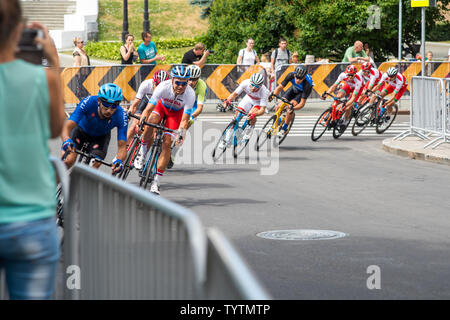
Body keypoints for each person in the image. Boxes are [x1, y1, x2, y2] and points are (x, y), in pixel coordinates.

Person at [0, 0, 65, 300]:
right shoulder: (44, 79)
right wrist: (53, 62)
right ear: (17, 30)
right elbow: (54, 129)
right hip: (32, 221)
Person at [134, 65, 196, 195]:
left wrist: (180, 133)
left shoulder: (190, 94)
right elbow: (148, 108)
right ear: (172, 80)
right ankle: (143, 151)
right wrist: (142, 121)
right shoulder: (163, 86)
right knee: (151, 120)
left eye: (184, 84)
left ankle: (156, 181)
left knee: (167, 144)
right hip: (161, 107)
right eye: (177, 82)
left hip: (176, 114)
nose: (180, 86)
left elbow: (185, 119)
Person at [61, 83, 128, 175]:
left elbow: (122, 146)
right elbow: (67, 127)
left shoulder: (121, 115)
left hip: (100, 138)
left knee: (93, 168)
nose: (109, 110)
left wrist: (119, 160)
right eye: (106, 104)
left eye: (114, 106)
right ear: (99, 101)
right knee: (68, 161)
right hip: (80, 131)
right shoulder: (88, 102)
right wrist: (66, 140)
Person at [168, 65, 207, 169]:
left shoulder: (202, 86)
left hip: (193, 106)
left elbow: (199, 108)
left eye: (194, 80)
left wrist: (191, 117)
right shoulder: (182, 82)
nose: (191, 82)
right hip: (182, 102)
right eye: (190, 79)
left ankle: (173, 154)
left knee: (184, 128)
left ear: (198, 78)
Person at [220, 73, 269, 145]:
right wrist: (228, 100)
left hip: (258, 102)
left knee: (252, 114)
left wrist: (254, 114)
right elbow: (234, 94)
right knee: (236, 117)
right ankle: (226, 139)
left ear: (260, 86)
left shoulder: (264, 91)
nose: (253, 88)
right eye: (252, 85)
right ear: (250, 82)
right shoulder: (245, 83)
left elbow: (262, 110)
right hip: (248, 98)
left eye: (256, 86)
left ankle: (250, 128)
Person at [126, 69, 171, 144]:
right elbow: (135, 104)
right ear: (153, 82)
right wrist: (129, 115)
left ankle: (143, 151)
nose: (159, 88)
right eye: (157, 85)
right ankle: (123, 149)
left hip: (157, 107)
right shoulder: (146, 84)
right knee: (133, 126)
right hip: (145, 102)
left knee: (152, 132)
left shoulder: (168, 90)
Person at [269, 65, 314, 136]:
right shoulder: (290, 75)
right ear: (294, 74)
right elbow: (279, 87)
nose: (298, 80)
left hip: (301, 93)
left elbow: (302, 104)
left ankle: (285, 127)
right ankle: (278, 121)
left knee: (291, 107)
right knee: (279, 106)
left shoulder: (307, 84)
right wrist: (272, 96)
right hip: (293, 89)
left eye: (300, 79)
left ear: (304, 77)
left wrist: (293, 108)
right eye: (297, 78)